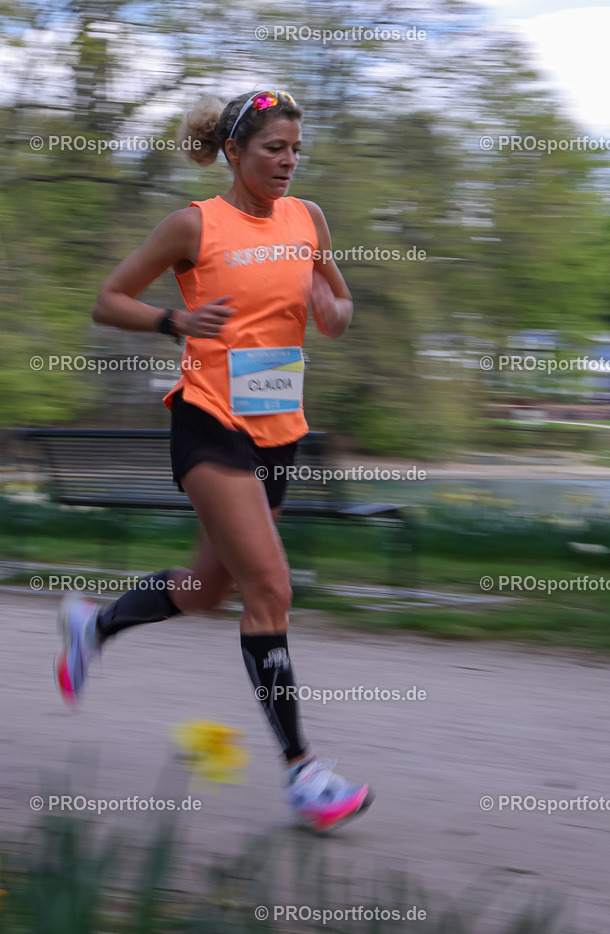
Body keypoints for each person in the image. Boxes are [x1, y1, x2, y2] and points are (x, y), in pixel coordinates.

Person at [54, 89, 373, 832]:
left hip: (278, 426)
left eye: (296, 148)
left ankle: (92, 627)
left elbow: (337, 302)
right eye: (273, 149)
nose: (288, 161)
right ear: (234, 152)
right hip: (209, 423)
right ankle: (304, 774)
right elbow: (108, 299)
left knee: (203, 588)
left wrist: (335, 310)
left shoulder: (308, 219)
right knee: (269, 586)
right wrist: (175, 320)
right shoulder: (194, 224)